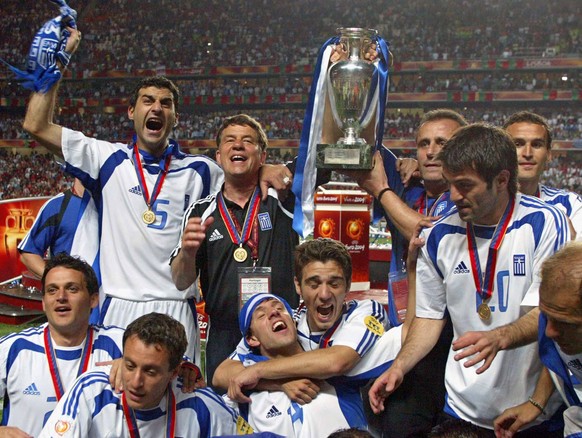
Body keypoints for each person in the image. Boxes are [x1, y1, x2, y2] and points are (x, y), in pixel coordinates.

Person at [22, 26, 291, 362]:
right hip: (119, 305)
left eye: (166, 104)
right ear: (132, 112)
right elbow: (35, 125)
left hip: (176, 304)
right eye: (147, 101)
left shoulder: (201, 170)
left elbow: (244, 174)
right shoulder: (106, 158)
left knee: (181, 402)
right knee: (115, 402)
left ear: (175, 117)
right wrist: (59, 65)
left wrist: (264, 168)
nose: (157, 108)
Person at [369, 124, 571, 434]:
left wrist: (501, 336)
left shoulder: (545, 223)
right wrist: (400, 366)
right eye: (450, 184)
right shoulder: (438, 235)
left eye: (465, 185)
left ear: (502, 180)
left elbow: (549, 314)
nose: (454, 195)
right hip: (461, 407)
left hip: (531, 412)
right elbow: (428, 319)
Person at [353, 109, 467, 437]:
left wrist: (382, 191)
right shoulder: (410, 191)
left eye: (442, 143)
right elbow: (363, 144)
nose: (431, 151)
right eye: (423, 144)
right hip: (406, 337)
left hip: (448, 340)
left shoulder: (465, 200)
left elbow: (426, 233)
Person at [170, 114, 301, 386]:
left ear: (262, 155)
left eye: (247, 141)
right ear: (219, 156)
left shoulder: (282, 197)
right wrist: (188, 252)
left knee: (290, 401)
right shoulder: (199, 211)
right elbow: (181, 281)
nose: (238, 146)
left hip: (279, 327)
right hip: (225, 334)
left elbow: (315, 160)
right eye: (230, 141)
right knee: (226, 415)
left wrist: (282, 169)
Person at [214, 238, 399, 416]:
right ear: (298, 286)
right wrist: (281, 383)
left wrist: (258, 370)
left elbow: (336, 361)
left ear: (348, 285)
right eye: (314, 284)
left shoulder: (366, 312)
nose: (324, 294)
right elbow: (222, 373)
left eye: (334, 284)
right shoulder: (290, 323)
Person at [39, 312, 239, 437]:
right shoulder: (92, 391)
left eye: (150, 372)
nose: (135, 382)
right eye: (130, 365)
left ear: (174, 372)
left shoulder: (201, 404)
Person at [0, 253, 124, 437]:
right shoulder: (15, 349)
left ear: (93, 299)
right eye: (52, 290)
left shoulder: (119, 344)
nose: (61, 297)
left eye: (72, 289)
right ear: (43, 303)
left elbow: (176, 363)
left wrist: (135, 364)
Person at [231, 293, 386, 436]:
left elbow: (337, 360)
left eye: (279, 308)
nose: (274, 312)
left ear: (293, 322)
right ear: (252, 339)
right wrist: (278, 382)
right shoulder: (245, 398)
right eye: (261, 314)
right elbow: (219, 378)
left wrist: (258, 370)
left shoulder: (336, 368)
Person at [493, 241, 582, 437]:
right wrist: (537, 401)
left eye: (564, 322)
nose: (548, 331)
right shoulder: (554, 320)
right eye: (546, 315)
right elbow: (554, 355)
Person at [503, 111, 582, 240]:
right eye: (517, 144)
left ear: (549, 154)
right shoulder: (482, 204)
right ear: (502, 152)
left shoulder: (569, 205)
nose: (527, 153)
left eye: (537, 145)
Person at [18, 178, 98, 280]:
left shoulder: (111, 207)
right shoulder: (56, 206)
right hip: (68, 294)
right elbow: (28, 254)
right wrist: (58, 281)